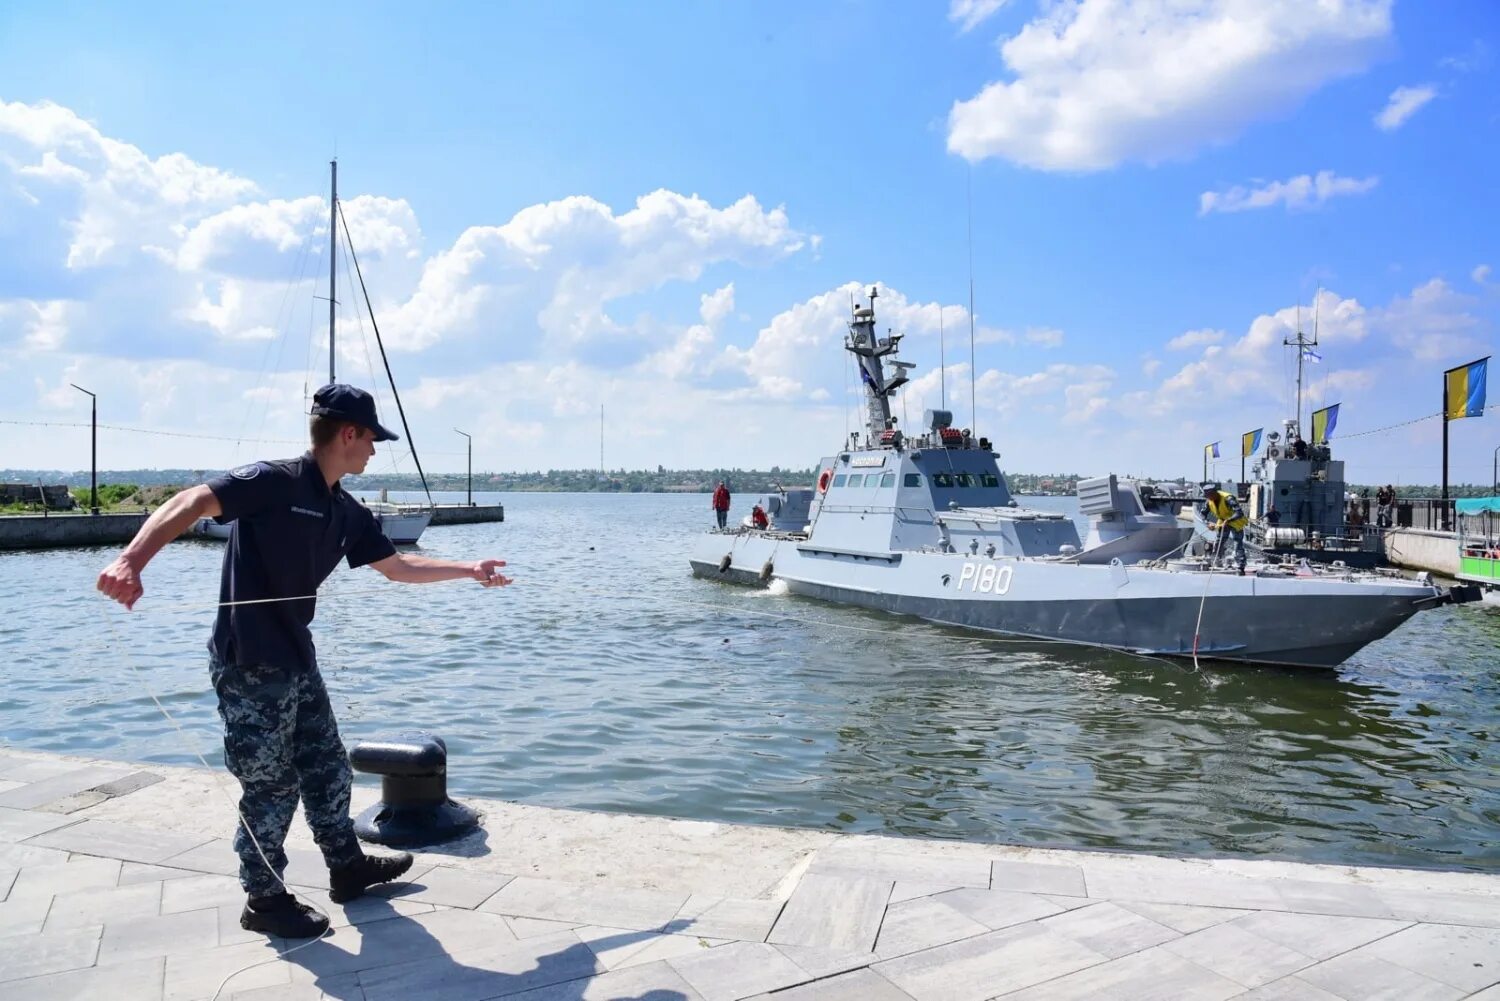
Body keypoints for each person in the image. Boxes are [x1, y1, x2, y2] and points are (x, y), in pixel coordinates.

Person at [96, 384, 512, 939]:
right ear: (348, 433)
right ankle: (264, 899)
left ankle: (346, 867)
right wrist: (131, 562)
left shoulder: (346, 510)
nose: (374, 450)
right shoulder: (273, 481)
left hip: (296, 657)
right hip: (249, 662)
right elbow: (190, 502)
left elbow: (400, 569)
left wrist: (469, 569)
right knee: (270, 786)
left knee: (328, 768)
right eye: (372, 439)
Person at [1201, 487, 1249, 573]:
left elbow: (1239, 512)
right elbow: (1203, 514)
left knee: (1238, 543)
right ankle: (1216, 561)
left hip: (1235, 522)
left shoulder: (1228, 498)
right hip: (1222, 522)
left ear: (1215, 493)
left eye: (1210, 496)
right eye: (1207, 496)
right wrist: (1207, 523)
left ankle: (1241, 565)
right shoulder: (1209, 501)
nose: (1209, 498)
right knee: (1218, 542)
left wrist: (1229, 520)